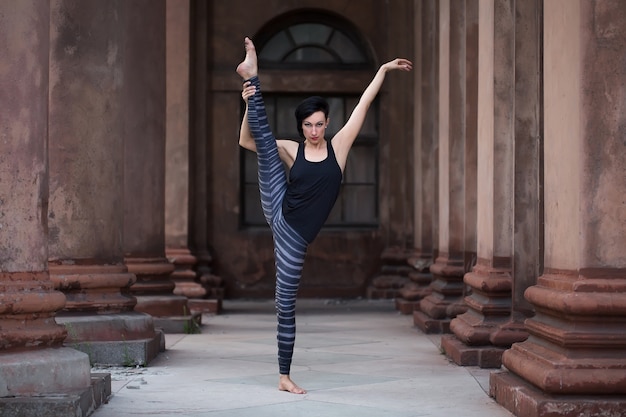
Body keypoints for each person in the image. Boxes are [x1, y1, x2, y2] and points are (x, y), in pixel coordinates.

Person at [236, 36, 412, 394]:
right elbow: (247, 142)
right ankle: (252, 79)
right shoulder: (293, 148)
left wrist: (382, 70)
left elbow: (364, 103)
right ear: (301, 127)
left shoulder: (339, 147)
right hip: (279, 208)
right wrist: (247, 104)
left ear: (327, 123)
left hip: (295, 240)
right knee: (269, 147)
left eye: (319, 124)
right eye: (308, 126)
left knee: (285, 304)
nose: (314, 131)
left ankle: (283, 375)